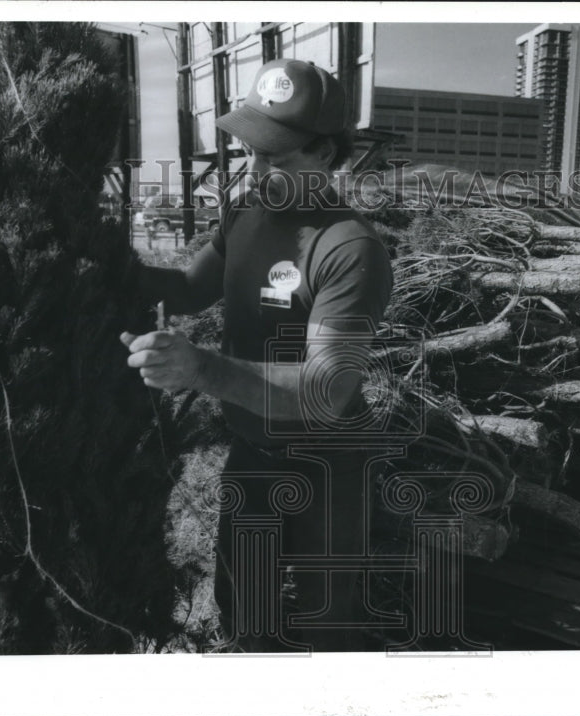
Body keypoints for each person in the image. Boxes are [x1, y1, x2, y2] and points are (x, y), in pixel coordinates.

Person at [121, 58, 394, 652]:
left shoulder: (349, 249)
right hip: (254, 450)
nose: (256, 170)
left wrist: (199, 368)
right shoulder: (244, 214)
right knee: (245, 609)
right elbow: (188, 289)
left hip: (328, 463)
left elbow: (326, 392)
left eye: (276, 157)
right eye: (250, 151)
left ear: (325, 153)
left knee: (327, 621)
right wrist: (107, 265)